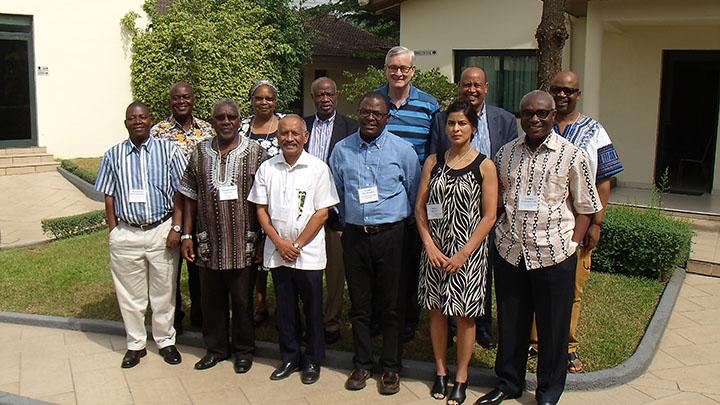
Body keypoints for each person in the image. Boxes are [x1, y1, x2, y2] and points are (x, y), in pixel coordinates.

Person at [475, 91, 601, 405]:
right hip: (510, 252)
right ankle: (509, 382)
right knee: (511, 323)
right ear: (520, 116)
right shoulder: (505, 154)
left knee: (553, 328)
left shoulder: (572, 155)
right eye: (528, 113)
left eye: (542, 114)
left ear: (553, 116)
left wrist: (573, 245)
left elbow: (586, 207)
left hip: (554, 254)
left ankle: (548, 391)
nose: (535, 119)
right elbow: (498, 202)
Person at [528, 70, 625, 373]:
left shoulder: (594, 131)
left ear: (577, 94)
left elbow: (604, 179)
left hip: (577, 227)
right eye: (557, 89)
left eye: (569, 91)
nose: (562, 95)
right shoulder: (538, 124)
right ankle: (535, 341)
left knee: (572, 290)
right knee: (535, 286)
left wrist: (597, 223)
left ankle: (566, 345)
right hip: (540, 228)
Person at [329, 92, 421, 395]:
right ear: (358, 113)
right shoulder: (341, 151)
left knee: (392, 305)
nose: (370, 117)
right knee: (360, 304)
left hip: (392, 236)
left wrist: (397, 224)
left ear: (387, 118)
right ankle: (363, 362)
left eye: (377, 113)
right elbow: (338, 192)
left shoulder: (403, 150)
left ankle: (391, 366)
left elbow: (412, 190)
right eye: (365, 111)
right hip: (355, 236)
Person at [430, 66, 518, 350]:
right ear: (460, 87)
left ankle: (481, 324)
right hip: (452, 209)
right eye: (466, 84)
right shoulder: (443, 120)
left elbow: (509, 166)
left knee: (483, 267)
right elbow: (433, 166)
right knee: (451, 265)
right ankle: (453, 322)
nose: (472, 89)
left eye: (477, 84)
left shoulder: (504, 120)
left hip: (490, 210)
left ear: (486, 87)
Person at [417, 101, 498, 405]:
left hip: (468, 255)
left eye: (462, 124)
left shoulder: (484, 165)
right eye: (451, 123)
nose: (455, 129)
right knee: (436, 311)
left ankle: (462, 376)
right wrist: (428, 244)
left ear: (473, 128)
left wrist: (463, 254)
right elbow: (420, 208)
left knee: (465, 316)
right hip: (435, 251)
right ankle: (440, 369)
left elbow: (489, 216)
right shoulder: (433, 162)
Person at [249, 115, 340, 385]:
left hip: (308, 253)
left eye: (295, 134)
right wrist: (278, 243)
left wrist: (297, 244)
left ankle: (312, 359)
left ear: (306, 136)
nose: (289, 138)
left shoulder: (318, 168)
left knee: (313, 309)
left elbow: (322, 213)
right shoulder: (268, 169)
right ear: (277, 137)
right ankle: (289, 356)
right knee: (285, 309)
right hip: (278, 252)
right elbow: (261, 209)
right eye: (284, 133)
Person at [95, 101, 187, 369]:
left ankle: (165, 340)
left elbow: (181, 193)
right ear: (126, 123)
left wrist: (176, 228)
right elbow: (109, 195)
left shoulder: (169, 150)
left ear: (150, 121)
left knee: (164, 292)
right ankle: (135, 344)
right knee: (130, 295)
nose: (137, 121)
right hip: (127, 233)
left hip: (161, 229)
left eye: (142, 117)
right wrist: (114, 230)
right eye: (132, 118)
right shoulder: (113, 155)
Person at [179, 99, 267, 374]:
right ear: (213, 122)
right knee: (211, 300)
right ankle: (216, 349)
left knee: (242, 301)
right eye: (220, 118)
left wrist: (265, 238)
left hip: (244, 241)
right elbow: (190, 197)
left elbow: (266, 201)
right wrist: (186, 235)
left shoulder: (256, 153)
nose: (226, 122)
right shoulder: (199, 153)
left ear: (240, 121)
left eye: (231, 117)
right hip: (208, 241)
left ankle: (243, 351)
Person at [376, 45, 440, 342]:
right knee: (381, 262)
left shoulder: (429, 106)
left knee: (410, 262)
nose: (398, 73)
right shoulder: (376, 101)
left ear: (413, 71)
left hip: (416, 196)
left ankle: (407, 320)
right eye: (393, 68)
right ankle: (381, 317)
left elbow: (435, 151)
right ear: (386, 69)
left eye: (404, 68)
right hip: (380, 197)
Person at [150, 81, 214, 333]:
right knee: (169, 270)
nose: (181, 102)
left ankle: (200, 313)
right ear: (170, 101)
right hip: (170, 211)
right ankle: (173, 316)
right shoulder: (158, 132)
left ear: (194, 99)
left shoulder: (207, 130)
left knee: (198, 266)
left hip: (201, 211)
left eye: (186, 97)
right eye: (176, 98)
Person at [303, 77, 358, 345]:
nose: (325, 99)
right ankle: (309, 317)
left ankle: (331, 321)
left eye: (329, 94)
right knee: (306, 269)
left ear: (336, 95)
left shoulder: (351, 128)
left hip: (336, 212)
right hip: (305, 211)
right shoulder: (302, 126)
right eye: (320, 95)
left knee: (335, 271)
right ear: (313, 98)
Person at [240, 79, 286, 327]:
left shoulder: (284, 124)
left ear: (275, 101)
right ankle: (260, 303)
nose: (264, 102)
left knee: (277, 248)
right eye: (259, 98)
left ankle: (283, 303)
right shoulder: (242, 126)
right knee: (254, 253)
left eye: (269, 98)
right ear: (252, 100)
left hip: (278, 198)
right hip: (247, 199)